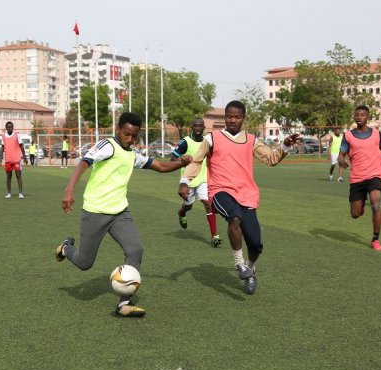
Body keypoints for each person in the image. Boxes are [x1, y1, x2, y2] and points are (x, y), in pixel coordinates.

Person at [55, 112, 192, 318]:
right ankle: (66, 248)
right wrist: (69, 190)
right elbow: (84, 162)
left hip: (120, 212)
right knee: (85, 263)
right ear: (118, 129)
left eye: (134, 135)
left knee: (135, 249)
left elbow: (161, 166)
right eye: (126, 134)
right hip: (96, 211)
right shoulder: (107, 146)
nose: (129, 139)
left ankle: (124, 303)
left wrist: (181, 163)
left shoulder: (133, 154)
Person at [179, 101, 300, 295]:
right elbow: (197, 160)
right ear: (225, 117)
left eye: (237, 117)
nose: (232, 120)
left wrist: (285, 145)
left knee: (256, 245)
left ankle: (250, 268)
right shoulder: (212, 138)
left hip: (246, 194)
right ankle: (239, 264)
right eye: (229, 116)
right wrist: (185, 180)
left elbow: (271, 159)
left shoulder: (251, 140)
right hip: (220, 191)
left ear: (243, 118)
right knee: (234, 217)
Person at [338, 105, 381, 251]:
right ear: (354, 117)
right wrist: (341, 161)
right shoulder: (348, 135)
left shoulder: (376, 133)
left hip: (375, 173)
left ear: (367, 117)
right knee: (355, 214)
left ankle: (375, 239)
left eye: (362, 115)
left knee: (376, 204)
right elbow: (341, 154)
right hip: (357, 177)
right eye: (357, 115)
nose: (359, 117)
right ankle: (361, 205)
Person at [171, 118, 222, 247]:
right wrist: (182, 158)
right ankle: (182, 212)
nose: (198, 128)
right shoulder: (185, 142)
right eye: (195, 126)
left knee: (208, 204)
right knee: (188, 206)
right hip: (188, 180)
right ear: (191, 127)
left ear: (204, 128)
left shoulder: (207, 141)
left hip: (204, 178)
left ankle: (215, 236)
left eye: (200, 126)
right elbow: (172, 158)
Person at [0, 121, 27, 199]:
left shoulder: (17, 135)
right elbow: (2, 147)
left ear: (13, 127)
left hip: (17, 159)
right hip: (8, 159)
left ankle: (20, 193)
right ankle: (9, 193)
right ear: (6, 128)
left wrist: (24, 156)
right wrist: (0, 157)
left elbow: (21, 146)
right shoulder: (3, 136)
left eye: (11, 127)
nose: (10, 128)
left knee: (18, 175)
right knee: (8, 176)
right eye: (8, 127)